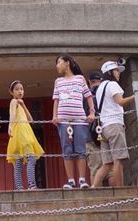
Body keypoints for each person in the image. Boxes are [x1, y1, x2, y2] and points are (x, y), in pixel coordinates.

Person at [51, 55, 95, 189]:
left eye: (58, 62)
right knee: (67, 150)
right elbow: (56, 100)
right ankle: (71, 180)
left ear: (67, 63)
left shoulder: (80, 79)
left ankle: (82, 180)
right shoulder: (58, 81)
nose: (57, 66)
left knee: (81, 150)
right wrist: (55, 116)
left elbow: (88, 96)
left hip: (80, 120)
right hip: (63, 121)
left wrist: (92, 112)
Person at [90, 61, 133, 188]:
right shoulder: (113, 84)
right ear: (109, 72)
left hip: (103, 128)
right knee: (118, 160)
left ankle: (94, 187)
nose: (118, 73)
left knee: (107, 163)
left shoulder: (99, 88)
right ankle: (120, 189)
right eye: (116, 70)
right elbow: (120, 101)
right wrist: (136, 96)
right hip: (114, 125)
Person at [5, 80, 43, 190]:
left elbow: (30, 120)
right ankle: (28, 185)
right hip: (19, 133)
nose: (20, 91)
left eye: (21, 89)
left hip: (26, 132)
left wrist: (24, 104)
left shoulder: (20, 104)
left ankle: (24, 186)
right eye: (17, 89)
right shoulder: (13, 102)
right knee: (22, 160)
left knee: (27, 159)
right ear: (11, 92)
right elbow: (12, 114)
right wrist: (10, 126)